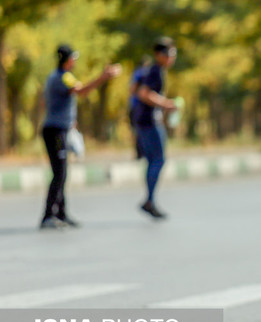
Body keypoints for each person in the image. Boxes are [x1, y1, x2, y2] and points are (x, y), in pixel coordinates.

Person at [40, 44, 121, 229]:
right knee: (60, 174)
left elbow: (47, 103)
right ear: (68, 60)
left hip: (56, 129)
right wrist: (104, 77)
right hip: (56, 131)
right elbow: (82, 91)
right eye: (73, 58)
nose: (75, 62)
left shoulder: (53, 77)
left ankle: (61, 213)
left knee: (61, 173)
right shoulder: (63, 77)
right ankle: (48, 215)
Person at [132, 37, 177, 219]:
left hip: (144, 120)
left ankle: (150, 199)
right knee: (158, 159)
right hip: (149, 121)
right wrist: (166, 103)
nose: (172, 58)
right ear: (160, 55)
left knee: (153, 160)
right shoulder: (155, 71)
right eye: (170, 54)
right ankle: (149, 200)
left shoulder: (155, 71)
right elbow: (143, 93)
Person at [129, 55, 151, 160]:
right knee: (141, 131)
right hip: (139, 107)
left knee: (138, 131)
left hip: (135, 106)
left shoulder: (137, 72)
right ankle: (142, 153)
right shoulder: (142, 73)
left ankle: (141, 153)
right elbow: (133, 88)